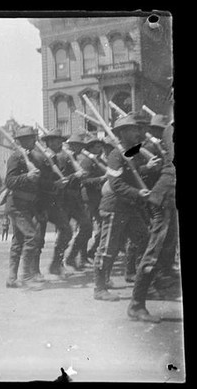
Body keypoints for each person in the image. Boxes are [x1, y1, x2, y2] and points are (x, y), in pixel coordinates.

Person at [93, 113, 150, 301]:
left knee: (144, 239)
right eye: (133, 129)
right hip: (114, 207)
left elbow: (131, 175)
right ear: (123, 132)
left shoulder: (130, 152)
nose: (138, 132)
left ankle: (142, 281)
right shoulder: (115, 154)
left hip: (128, 207)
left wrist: (147, 168)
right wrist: (137, 193)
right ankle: (99, 289)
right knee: (108, 248)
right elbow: (116, 183)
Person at [128, 119, 176, 322]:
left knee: (165, 249)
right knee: (154, 250)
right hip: (165, 195)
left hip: (170, 194)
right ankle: (137, 304)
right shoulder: (171, 129)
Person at [4, 126, 45, 290]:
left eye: (33, 137)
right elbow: (9, 181)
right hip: (16, 204)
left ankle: (12, 277)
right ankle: (26, 277)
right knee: (32, 236)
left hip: (27, 205)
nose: (33, 140)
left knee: (19, 240)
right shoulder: (16, 158)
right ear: (20, 141)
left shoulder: (32, 158)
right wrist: (26, 176)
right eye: (29, 138)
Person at [32, 128, 73, 278]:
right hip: (39, 201)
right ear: (48, 142)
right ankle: (34, 270)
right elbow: (37, 181)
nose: (59, 143)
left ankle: (56, 264)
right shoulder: (38, 157)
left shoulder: (58, 158)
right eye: (55, 140)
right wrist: (55, 184)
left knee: (67, 230)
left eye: (60, 140)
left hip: (53, 201)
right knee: (38, 237)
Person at [62, 133, 92, 272]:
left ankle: (72, 256)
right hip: (63, 198)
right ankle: (59, 262)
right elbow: (59, 180)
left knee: (86, 227)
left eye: (81, 146)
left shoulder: (77, 159)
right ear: (71, 145)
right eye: (77, 145)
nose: (80, 148)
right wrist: (75, 176)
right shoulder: (63, 158)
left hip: (75, 199)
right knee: (64, 231)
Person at [79, 134, 108, 265]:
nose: (100, 148)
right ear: (90, 148)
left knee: (103, 228)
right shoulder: (87, 161)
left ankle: (91, 252)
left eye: (100, 145)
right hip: (88, 199)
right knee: (86, 229)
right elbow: (84, 181)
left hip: (99, 198)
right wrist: (101, 179)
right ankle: (81, 257)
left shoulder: (99, 161)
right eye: (97, 146)